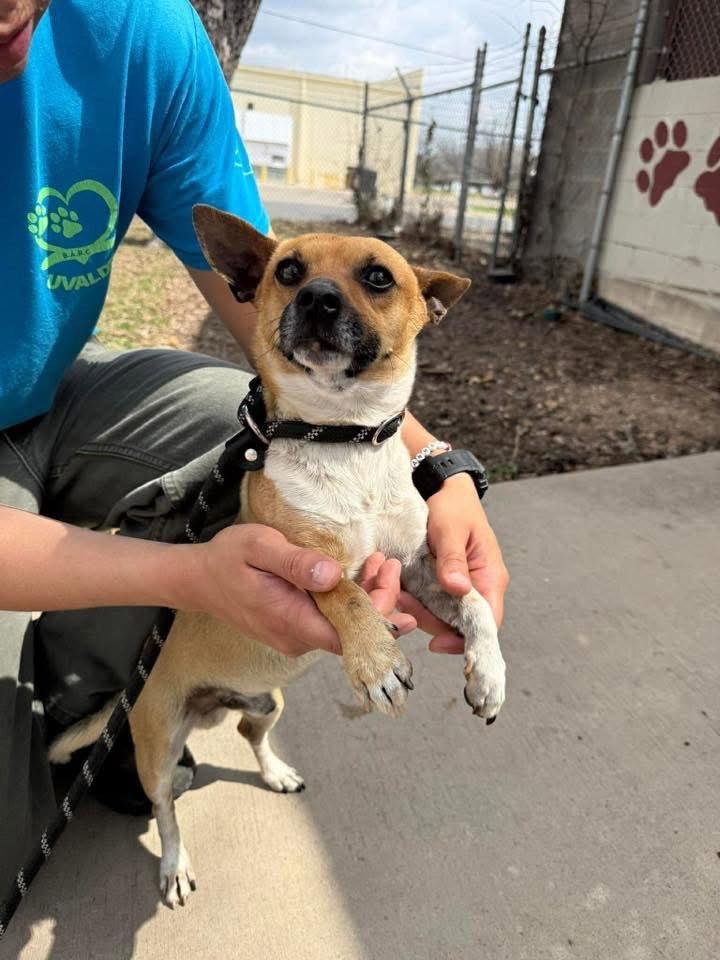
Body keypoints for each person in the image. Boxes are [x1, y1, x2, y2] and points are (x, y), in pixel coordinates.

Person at [0, 0, 509, 892]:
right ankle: (91, 698)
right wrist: (183, 577)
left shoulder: (143, 32)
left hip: (54, 387)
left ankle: (99, 675)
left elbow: (271, 312)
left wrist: (439, 468)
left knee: (264, 429)